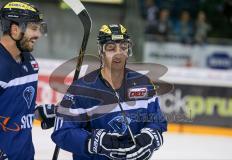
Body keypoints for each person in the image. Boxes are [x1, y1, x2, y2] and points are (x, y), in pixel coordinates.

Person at [52, 24, 167, 160]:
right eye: (111, 47)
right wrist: (95, 142)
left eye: (123, 47)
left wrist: (149, 137)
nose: (118, 53)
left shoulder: (143, 83)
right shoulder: (81, 89)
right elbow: (62, 132)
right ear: (101, 50)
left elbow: (157, 120)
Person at [0, 1, 55, 159]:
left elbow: (16, 110)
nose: (38, 34)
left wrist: (39, 113)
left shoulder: (29, 61)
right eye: (33, 28)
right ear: (15, 29)